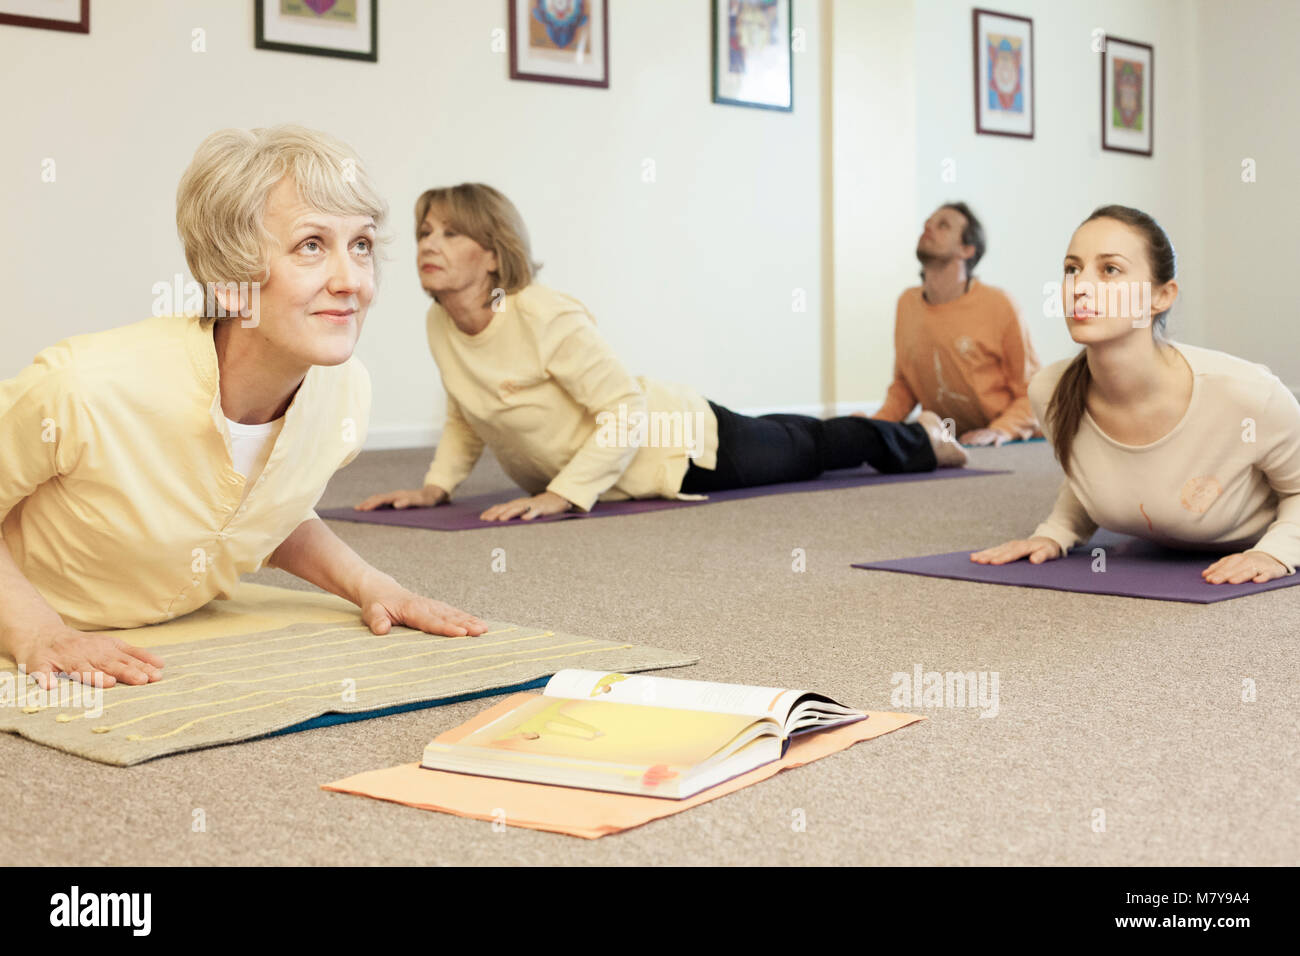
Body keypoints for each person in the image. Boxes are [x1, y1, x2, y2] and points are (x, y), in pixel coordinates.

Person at [0, 126, 486, 690]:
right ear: (231, 282)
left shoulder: (345, 391)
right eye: (311, 245)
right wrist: (36, 632)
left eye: (361, 245)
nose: (352, 280)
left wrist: (378, 587)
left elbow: (265, 512)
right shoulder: (82, 389)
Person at [356, 184, 966, 522]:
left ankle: (925, 443)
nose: (428, 245)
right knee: (795, 430)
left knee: (812, 447)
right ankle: (910, 433)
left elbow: (624, 407)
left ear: (492, 253)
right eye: (423, 233)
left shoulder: (544, 314)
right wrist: (435, 487)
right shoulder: (441, 323)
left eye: (450, 233)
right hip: (621, 461)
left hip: (680, 443)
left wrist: (562, 496)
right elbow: (469, 411)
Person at [971, 205, 1300, 583]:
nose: (1080, 286)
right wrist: (1055, 532)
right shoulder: (1051, 393)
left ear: (1161, 296)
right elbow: (1093, 474)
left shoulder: (1247, 395)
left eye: (1110, 270)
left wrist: (1277, 552)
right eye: (1071, 269)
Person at [868, 203, 1042, 445]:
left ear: (967, 249)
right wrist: (873, 427)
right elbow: (905, 387)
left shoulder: (999, 304)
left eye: (943, 225)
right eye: (927, 222)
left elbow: (1032, 393)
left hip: (1010, 439)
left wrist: (1000, 431)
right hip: (954, 440)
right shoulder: (907, 303)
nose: (927, 227)